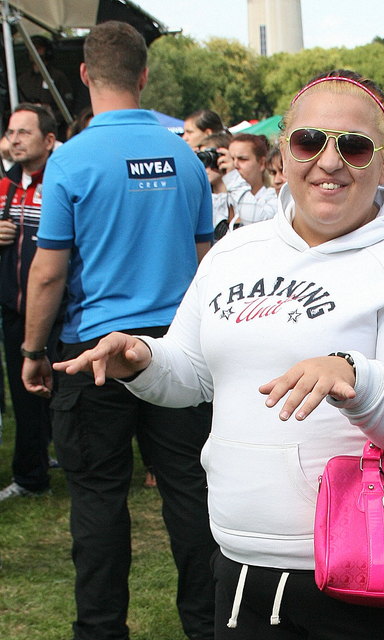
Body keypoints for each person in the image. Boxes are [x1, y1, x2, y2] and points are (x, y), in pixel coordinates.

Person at [53, 69, 384, 640]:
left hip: (378, 571)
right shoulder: (236, 251)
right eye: (309, 142)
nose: (329, 162)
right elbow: (193, 374)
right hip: (242, 561)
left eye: (353, 147)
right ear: (284, 153)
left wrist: (355, 377)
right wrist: (143, 359)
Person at [21, 21, 216, 640]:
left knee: (98, 497)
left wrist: (32, 350)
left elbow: (48, 272)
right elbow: (206, 260)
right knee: (191, 492)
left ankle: (101, 630)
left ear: (84, 74)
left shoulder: (71, 159)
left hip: (93, 352)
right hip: (176, 347)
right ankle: (209, 626)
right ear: (144, 76)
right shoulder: (184, 157)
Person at [0, 103, 60, 501]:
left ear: (49, 140)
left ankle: (71, 460)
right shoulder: (4, 185)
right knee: (24, 396)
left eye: (24, 132)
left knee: (63, 392)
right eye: (11, 132)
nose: (15, 140)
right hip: (13, 308)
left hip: (59, 309)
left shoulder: (61, 183)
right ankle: (30, 475)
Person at [18, 35, 74, 140]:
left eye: (38, 48)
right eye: (32, 48)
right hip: (28, 130)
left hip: (55, 130)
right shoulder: (23, 79)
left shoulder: (58, 76)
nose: (34, 51)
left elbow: (68, 105)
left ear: (47, 51)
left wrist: (50, 117)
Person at [217, 132, 278, 226]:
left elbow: (257, 222)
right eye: (231, 159)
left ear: (262, 163)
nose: (234, 165)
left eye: (242, 159)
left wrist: (232, 177)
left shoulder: (275, 197)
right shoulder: (224, 200)